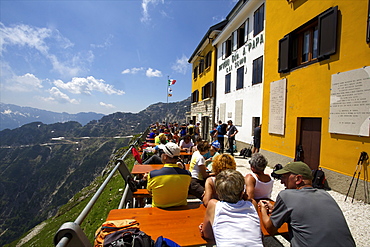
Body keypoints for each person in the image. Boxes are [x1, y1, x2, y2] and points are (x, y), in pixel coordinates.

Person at [258, 161, 355, 247]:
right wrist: (276, 208)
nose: (282, 181)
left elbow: (270, 229)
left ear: (298, 179)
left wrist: (263, 209)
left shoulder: (286, 195)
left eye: (284, 177)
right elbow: (308, 213)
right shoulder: (325, 195)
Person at [199, 169, 263, 247]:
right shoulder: (252, 204)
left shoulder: (213, 205)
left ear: (219, 193)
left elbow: (208, 235)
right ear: (241, 191)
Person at [147, 142, 191, 208]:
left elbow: (150, 191)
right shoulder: (187, 175)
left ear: (165, 156)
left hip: (159, 209)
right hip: (181, 209)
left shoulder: (153, 175)